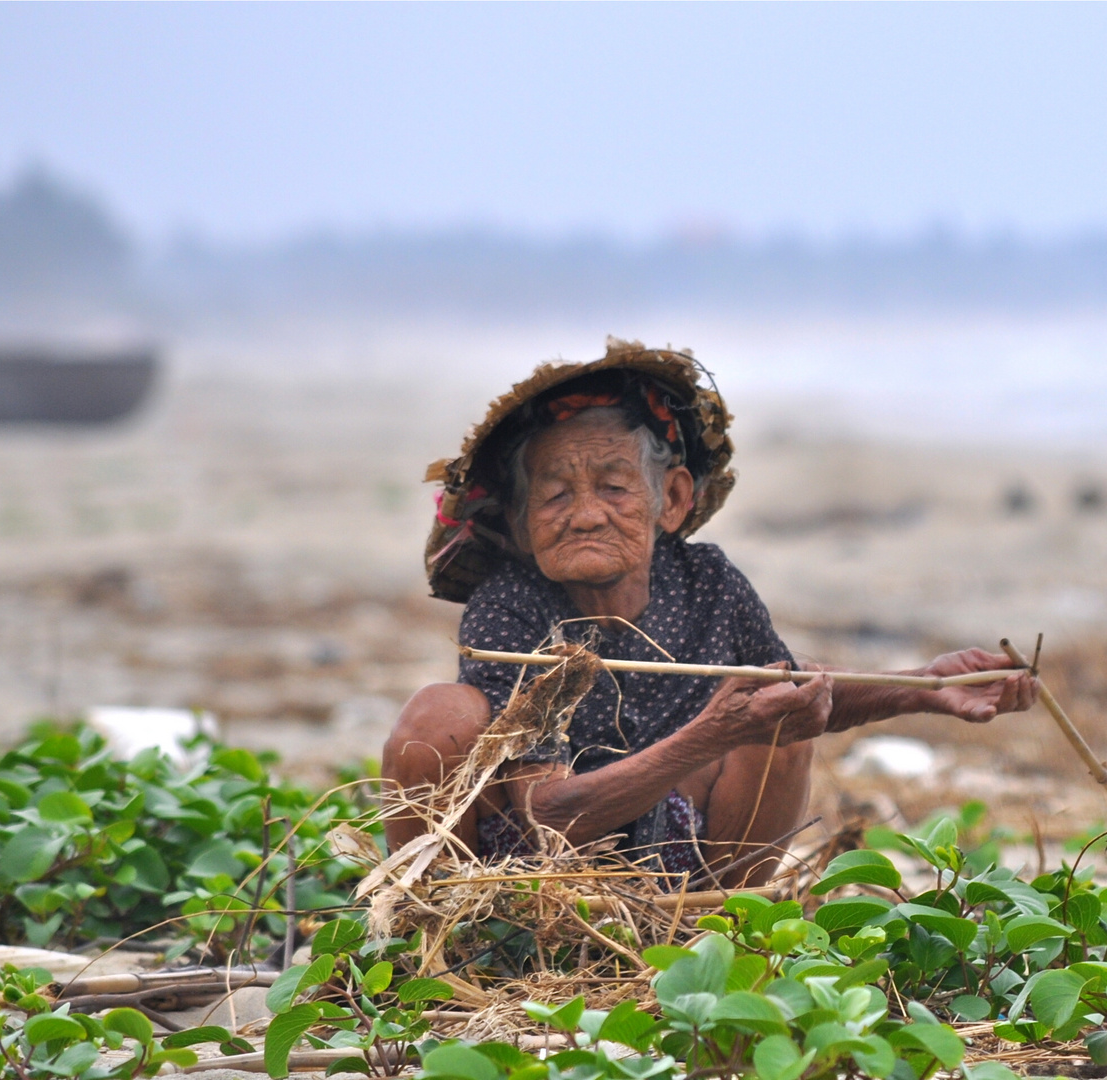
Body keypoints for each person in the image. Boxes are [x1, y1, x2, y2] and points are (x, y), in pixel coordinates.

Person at [382, 339, 1035, 887]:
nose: (584, 515)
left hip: (676, 876)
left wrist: (929, 687)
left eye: (613, 488)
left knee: (778, 722)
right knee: (439, 717)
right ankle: (427, 932)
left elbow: (796, 690)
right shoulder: (511, 609)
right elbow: (550, 818)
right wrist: (712, 733)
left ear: (671, 499)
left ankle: (714, 930)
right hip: (528, 880)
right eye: (554, 495)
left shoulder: (707, 583)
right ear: (523, 524)